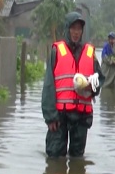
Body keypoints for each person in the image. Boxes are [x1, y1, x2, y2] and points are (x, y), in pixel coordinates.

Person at [41, 11, 105, 158]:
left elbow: (100, 79)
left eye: (79, 29)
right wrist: (50, 117)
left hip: (81, 115)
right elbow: (48, 86)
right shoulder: (56, 51)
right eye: (73, 28)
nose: (76, 32)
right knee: (55, 158)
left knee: (78, 160)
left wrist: (92, 86)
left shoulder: (90, 52)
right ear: (67, 29)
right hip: (60, 116)